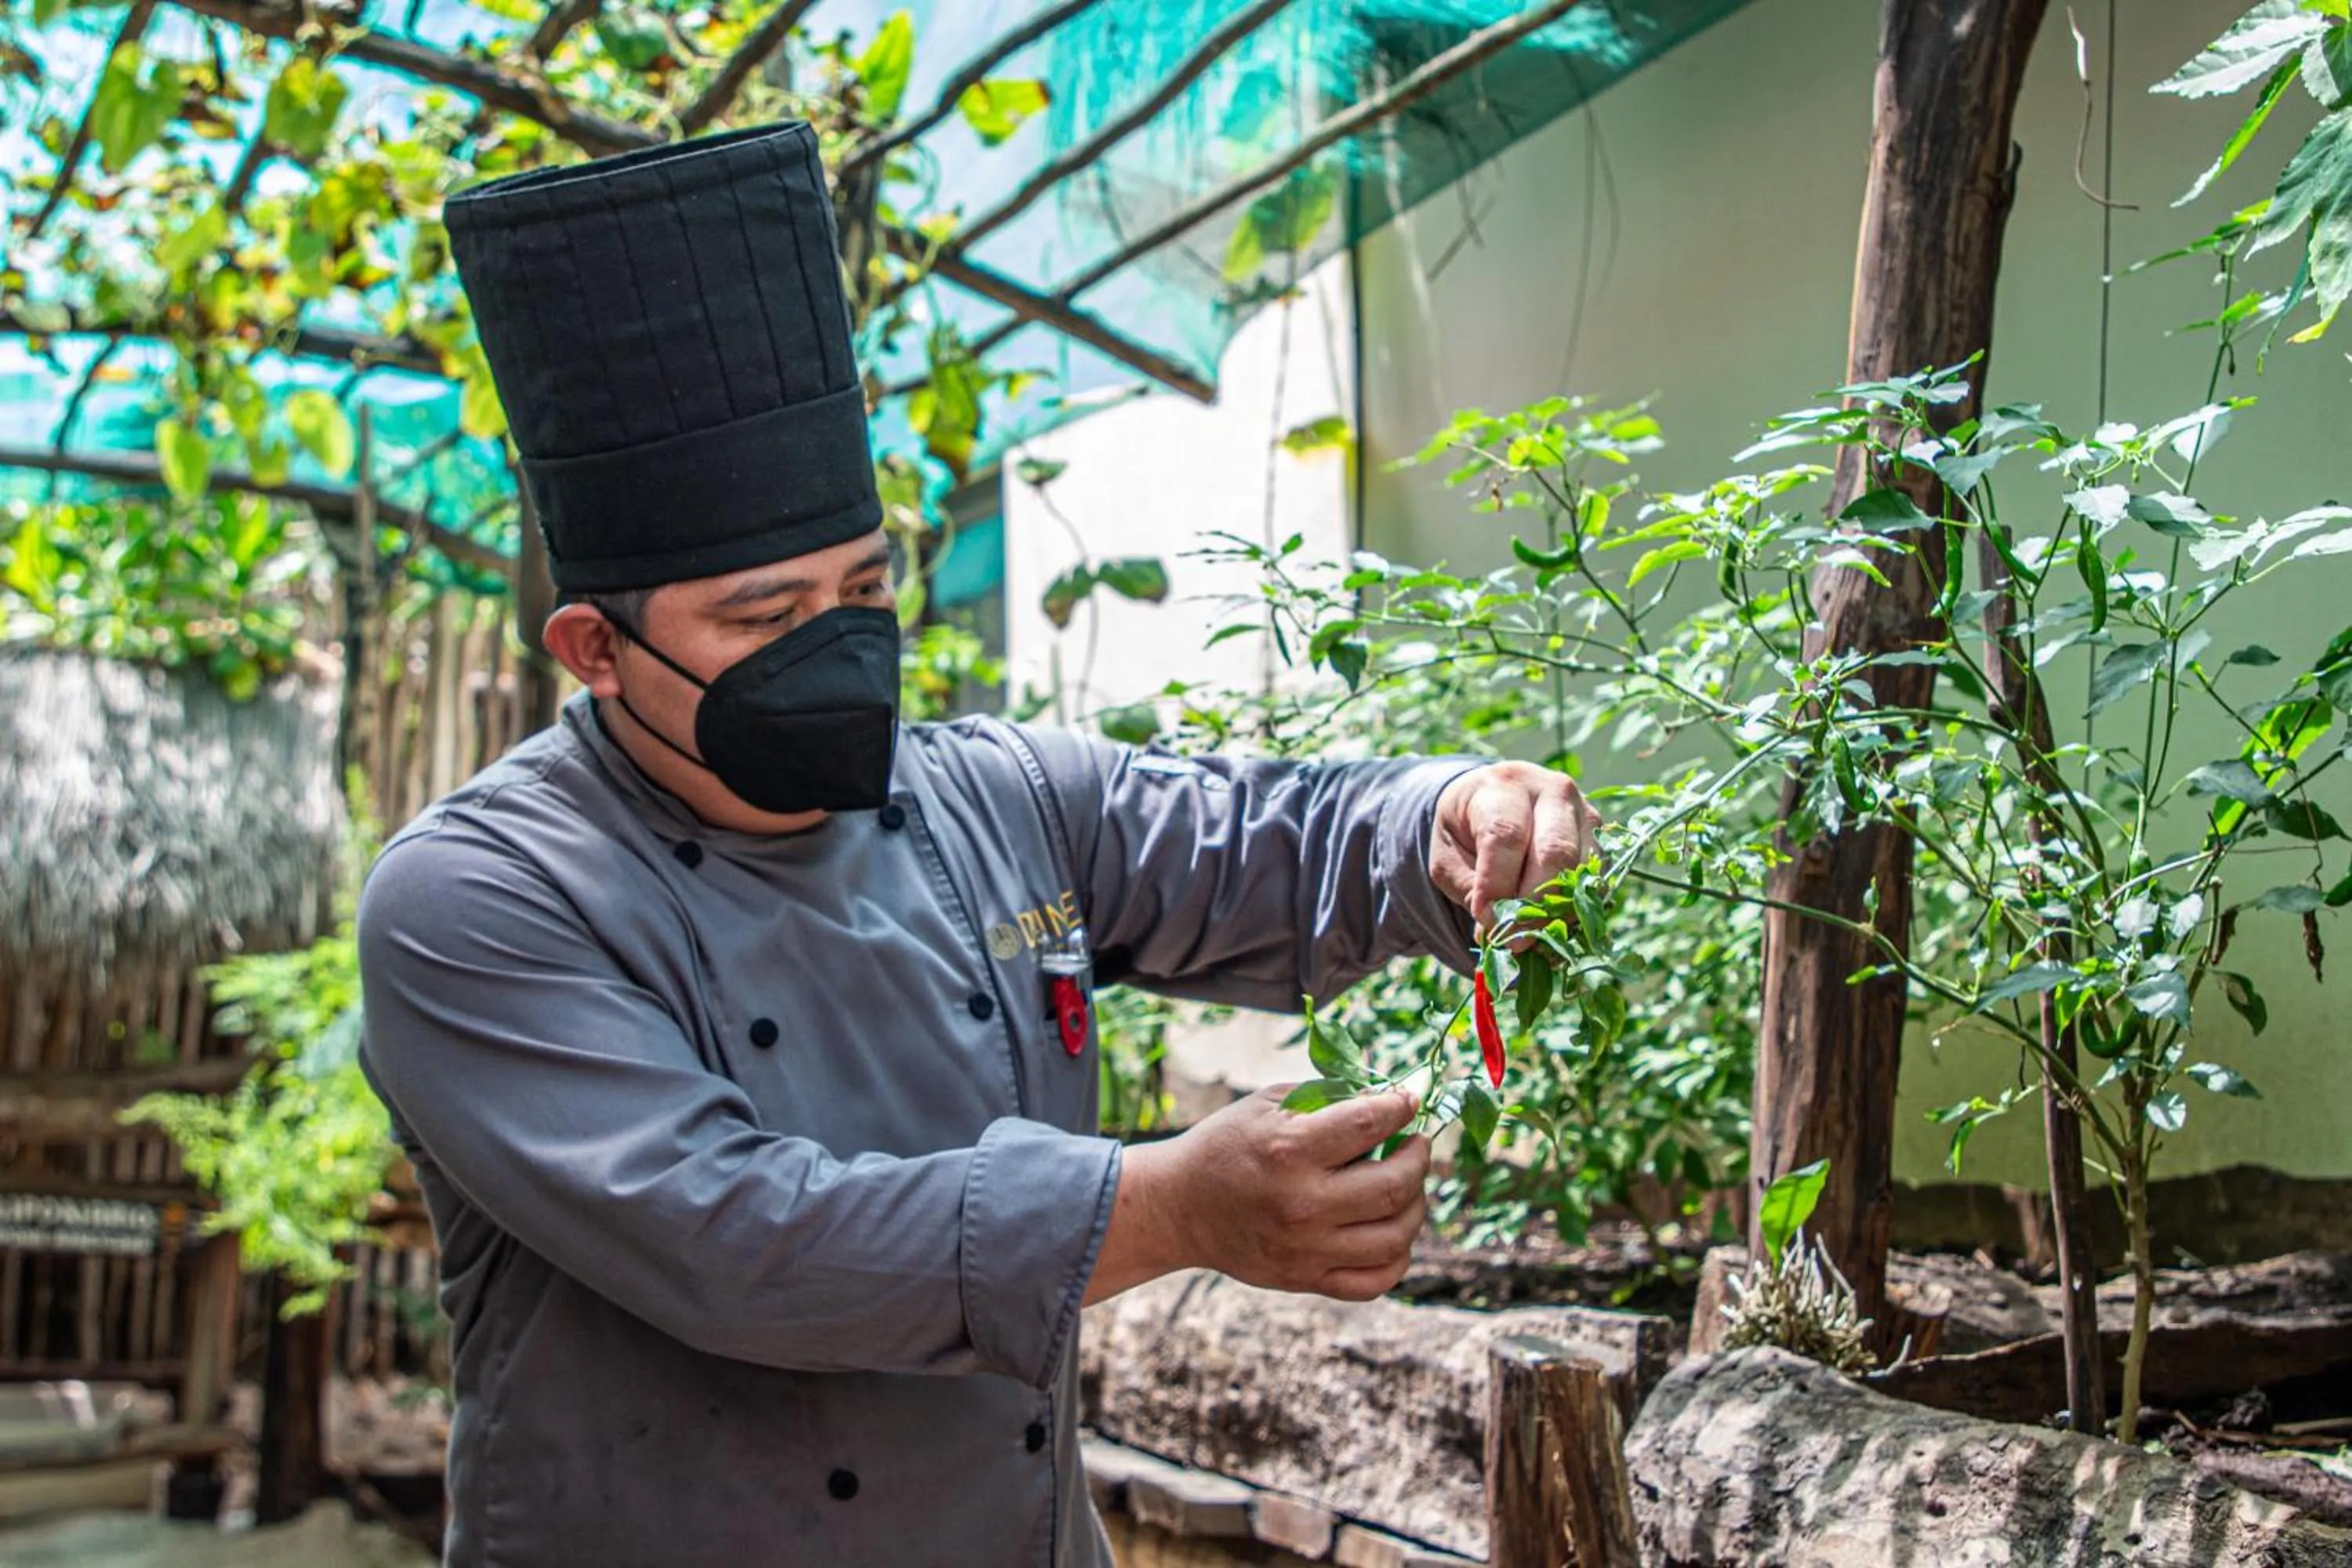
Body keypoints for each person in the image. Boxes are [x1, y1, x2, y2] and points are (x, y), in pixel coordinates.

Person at [356, 121, 1598, 1568]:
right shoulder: (481, 898)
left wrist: (1443, 815)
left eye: (865, 585)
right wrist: (1169, 1202)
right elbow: (740, 1238)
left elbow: (1269, 833)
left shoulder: (996, 797)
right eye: (764, 620)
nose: (837, 645)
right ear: (595, 650)